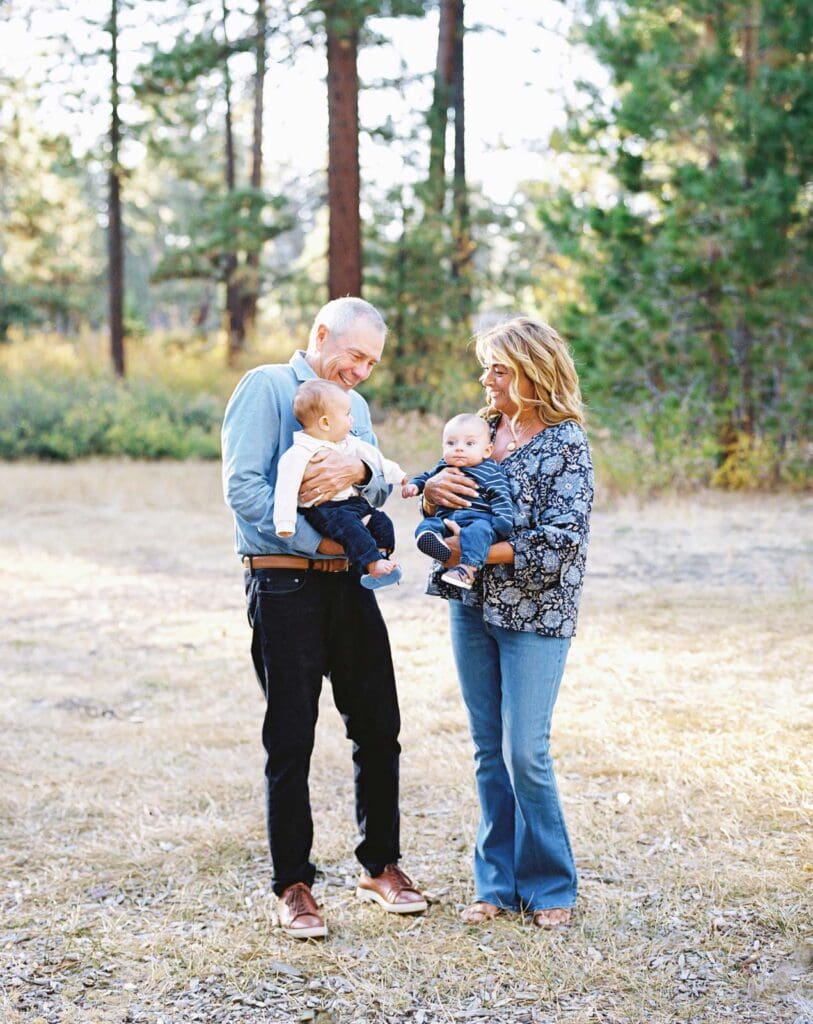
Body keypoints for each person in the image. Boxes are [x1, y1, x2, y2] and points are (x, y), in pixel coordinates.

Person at [221, 297, 427, 940]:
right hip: (284, 586)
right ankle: (293, 885)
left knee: (378, 725)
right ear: (320, 334)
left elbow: (373, 485)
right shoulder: (265, 388)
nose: (362, 371)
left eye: (372, 361)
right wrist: (326, 546)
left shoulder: (356, 407)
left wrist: (365, 466)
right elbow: (245, 489)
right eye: (355, 355)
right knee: (291, 737)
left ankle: (380, 866)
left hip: (350, 589)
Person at [420, 316, 593, 930]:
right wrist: (432, 495)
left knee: (527, 753)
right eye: (486, 368)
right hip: (471, 608)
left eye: (499, 369)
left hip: (538, 612)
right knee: (489, 752)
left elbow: (562, 542)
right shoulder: (482, 429)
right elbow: (440, 490)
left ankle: (551, 885)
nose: (486, 380)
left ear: (532, 371)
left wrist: (475, 552)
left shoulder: (566, 443)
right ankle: (495, 885)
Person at [275, 378, 407, 589]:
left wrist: (399, 476)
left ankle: (381, 557)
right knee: (350, 528)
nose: (352, 419)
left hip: (353, 503)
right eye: (347, 414)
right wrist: (285, 523)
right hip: (325, 509)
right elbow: (286, 487)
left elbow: (376, 459)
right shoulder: (299, 453)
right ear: (326, 423)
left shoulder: (348, 444)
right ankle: (373, 565)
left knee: (382, 523)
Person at [402, 413, 513, 591]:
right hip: (447, 520)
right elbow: (426, 478)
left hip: (478, 520)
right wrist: (415, 486)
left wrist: (502, 524)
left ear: (486, 450)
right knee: (429, 524)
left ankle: (467, 569)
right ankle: (432, 542)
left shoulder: (491, 471)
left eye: (469, 444)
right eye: (451, 443)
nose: (459, 449)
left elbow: (501, 497)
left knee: (478, 532)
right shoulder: (443, 466)